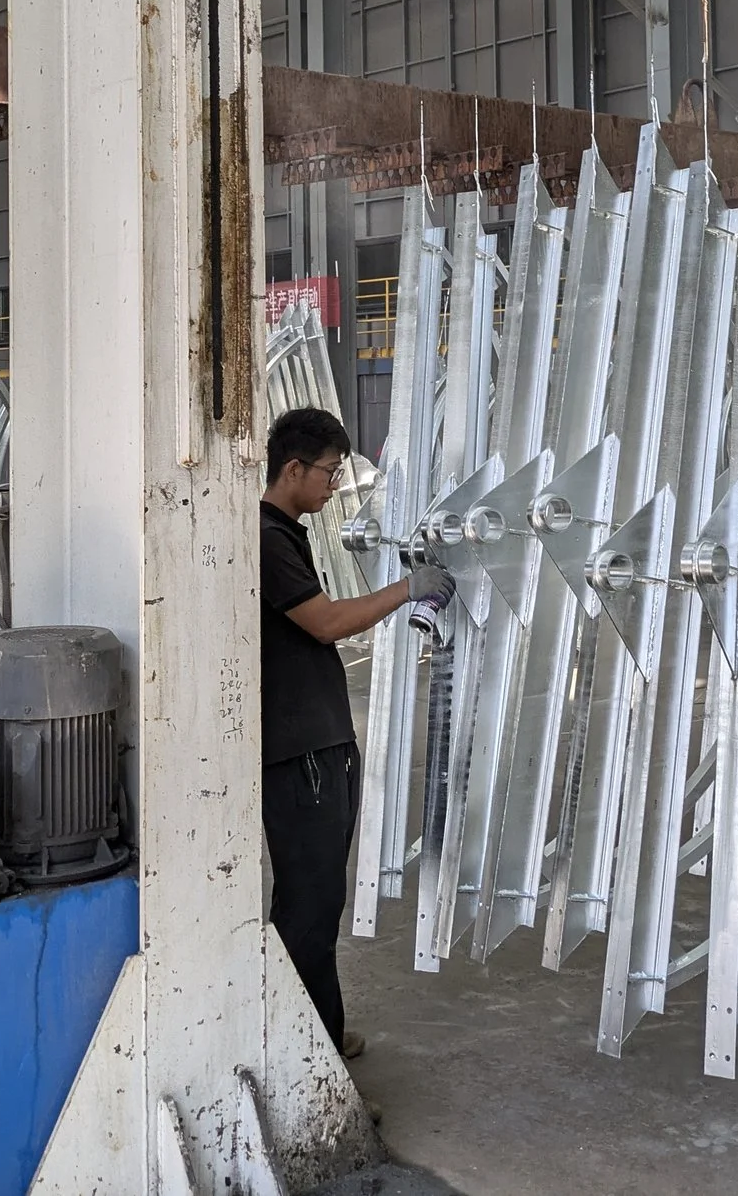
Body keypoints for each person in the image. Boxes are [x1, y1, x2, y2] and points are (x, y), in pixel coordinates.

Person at [260, 406, 448, 1061]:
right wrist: (408, 588)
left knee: (318, 901)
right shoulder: (267, 539)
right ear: (293, 468)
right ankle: (304, 1059)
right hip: (300, 755)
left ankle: (321, 1035)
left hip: (318, 746)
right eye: (329, 471)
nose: (333, 484)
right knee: (308, 908)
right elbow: (326, 622)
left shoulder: (287, 533)